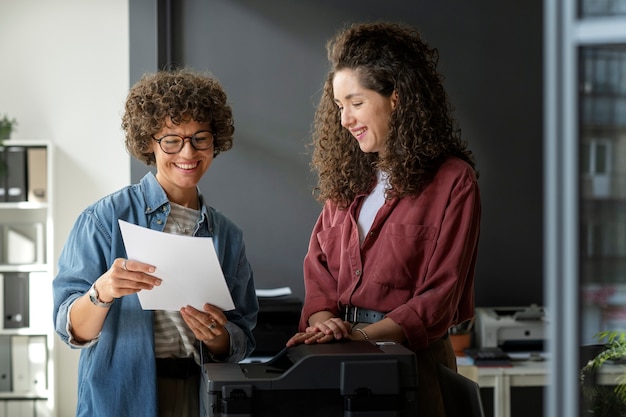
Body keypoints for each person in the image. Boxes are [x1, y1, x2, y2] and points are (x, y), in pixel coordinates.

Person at [286, 22, 481, 416]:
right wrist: (327, 325)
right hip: (338, 359)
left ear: (396, 97)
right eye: (339, 107)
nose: (345, 120)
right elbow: (318, 270)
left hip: (412, 365)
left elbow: (439, 297)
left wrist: (358, 335)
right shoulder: (348, 179)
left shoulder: (453, 181)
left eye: (356, 103)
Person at [52, 69, 258, 417]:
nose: (187, 152)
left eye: (200, 138)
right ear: (150, 141)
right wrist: (102, 292)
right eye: (172, 139)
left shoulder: (227, 235)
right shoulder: (103, 220)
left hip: (199, 395)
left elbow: (241, 338)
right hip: (121, 396)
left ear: (215, 141)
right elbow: (71, 330)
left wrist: (216, 335)